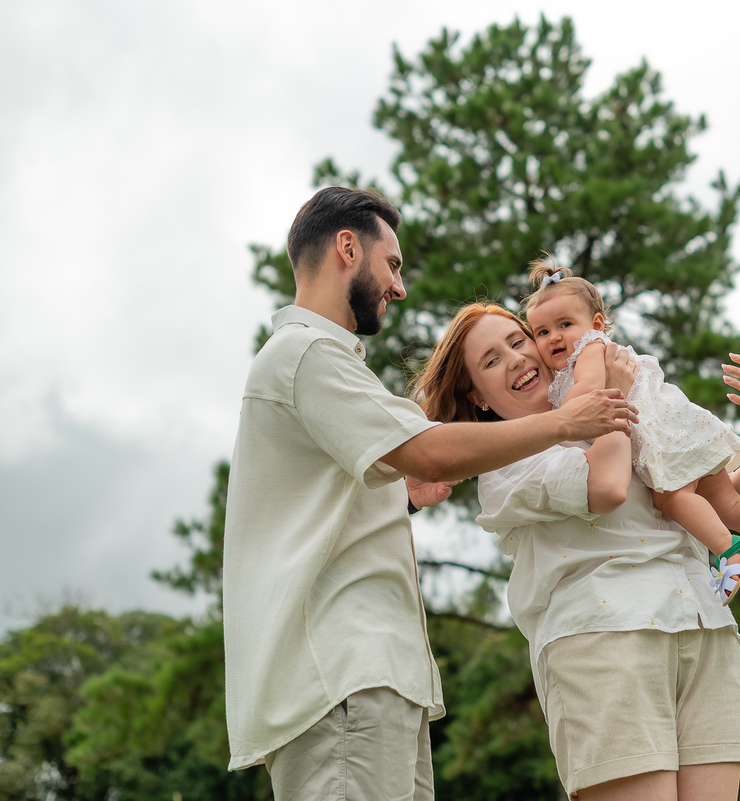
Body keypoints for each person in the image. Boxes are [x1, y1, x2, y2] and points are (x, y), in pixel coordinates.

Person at [221, 187, 637, 801]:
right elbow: (426, 448)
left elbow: (355, 493)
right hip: (341, 676)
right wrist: (566, 423)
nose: (399, 286)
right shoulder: (306, 354)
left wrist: (406, 499)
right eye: (392, 264)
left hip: (370, 678)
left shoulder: (322, 362)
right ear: (346, 248)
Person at [410, 300, 740, 800]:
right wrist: (605, 390)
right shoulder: (506, 469)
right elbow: (608, 487)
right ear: (475, 395)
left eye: (517, 341)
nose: (514, 359)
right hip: (604, 638)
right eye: (490, 360)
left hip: (703, 628)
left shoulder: (632, 408)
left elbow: (726, 506)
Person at [523, 257, 740, 604]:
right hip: (686, 432)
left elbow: (588, 392)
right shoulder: (585, 355)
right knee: (730, 504)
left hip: (662, 438)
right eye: (542, 332)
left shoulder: (589, 350)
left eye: (564, 324)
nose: (554, 337)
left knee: (671, 497)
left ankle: (727, 549)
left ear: (595, 324)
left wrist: (557, 417)